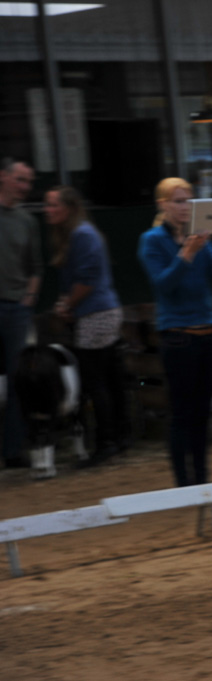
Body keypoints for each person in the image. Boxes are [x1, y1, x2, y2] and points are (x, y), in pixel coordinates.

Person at [137, 177, 212, 487]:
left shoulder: (201, 236)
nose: (185, 207)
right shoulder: (152, 240)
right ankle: (184, 484)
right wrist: (186, 254)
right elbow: (164, 285)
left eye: (188, 200)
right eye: (179, 201)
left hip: (208, 334)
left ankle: (203, 480)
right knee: (182, 413)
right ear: (163, 205)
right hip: (177, 336)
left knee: (203, 413)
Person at [45, 185, 129, 462]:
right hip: (97, 312)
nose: (48, 210)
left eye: (53, 205)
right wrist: (66, 304)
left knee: (96, 381)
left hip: (96, 314)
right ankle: (118, 436)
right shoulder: (76, 234)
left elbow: (87, 280)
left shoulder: (82, 235)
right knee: (107, 378)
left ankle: (107, 442)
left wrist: (67, 306)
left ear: (67, 208)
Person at [0, 157, 42, 469]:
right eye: (20, 180)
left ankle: (13, 450)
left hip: (16, 308)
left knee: (18, 379)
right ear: (4, 177)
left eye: (29, 181)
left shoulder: (26, 220)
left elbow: (35, 266)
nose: (25, 187)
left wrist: (27, 298)